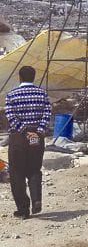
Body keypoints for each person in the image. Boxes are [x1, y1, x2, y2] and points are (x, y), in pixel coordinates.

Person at [5, 65, 51, 219]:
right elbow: (47, 114)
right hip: (37, 137)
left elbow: (11, 116)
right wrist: (39, 130)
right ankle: (36, 200)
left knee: (16, 172)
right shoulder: (42, 94)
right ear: (33, 77)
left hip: (18, 137)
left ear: (20, 77)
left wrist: (25, 131)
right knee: (34, 169)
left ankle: (23, 209)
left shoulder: (11, 95)